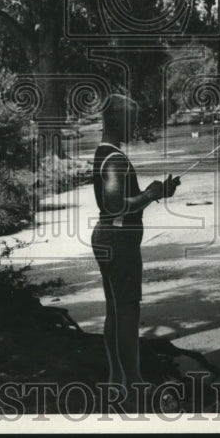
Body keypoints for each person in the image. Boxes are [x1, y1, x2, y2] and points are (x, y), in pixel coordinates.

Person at [91, 93, 180, 397]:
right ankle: (135, 380)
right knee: (127, 311)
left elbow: (115, 207)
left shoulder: (105, 152)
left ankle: (117, 378)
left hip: (108, 238)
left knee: (116, 311)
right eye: (133, 121)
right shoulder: (115, 159)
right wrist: (149, 195)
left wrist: (159, 192)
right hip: (118, 243)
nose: (135, 127)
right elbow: (115, 205)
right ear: (116, 120)